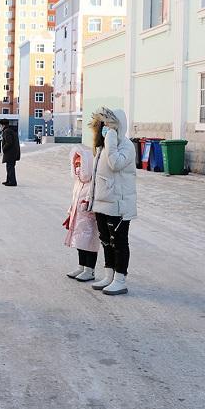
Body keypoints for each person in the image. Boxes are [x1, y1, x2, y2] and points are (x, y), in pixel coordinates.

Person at [87, 107, 137, 296]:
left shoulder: (126, 146)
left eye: (109, 125)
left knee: (119, 242)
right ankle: (109, 275)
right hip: (103, 202)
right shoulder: (105, 146)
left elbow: (115, 164)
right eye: (104, 125)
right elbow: (96, 176)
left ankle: (120, 279)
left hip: (118, 204)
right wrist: (91, 199)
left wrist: (110, 139)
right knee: (106, 241)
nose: (106, 128)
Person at [63, 145, 101, 282]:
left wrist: (89, 207)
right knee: (80, 242)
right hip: (78, 218)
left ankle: (89, 270)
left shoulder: (93, 182)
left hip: (89, 219)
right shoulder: (78, 183)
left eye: (80, 165)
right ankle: (81, 266)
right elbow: (74, 199)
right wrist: (70, 213)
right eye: (76, 165)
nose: (77, 168)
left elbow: (95, 199)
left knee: (89, 243)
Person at [0, 119, 20, 186]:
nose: (0, 127)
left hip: (10, 152)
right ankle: (9, 180)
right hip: (14, 152)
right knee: (10, 166)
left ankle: (12, 182)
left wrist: (4, 148)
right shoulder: (11, 130)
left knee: (10, 167)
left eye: (1, 125)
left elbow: (9, 142)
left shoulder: (7, 131)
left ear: (3, 125)